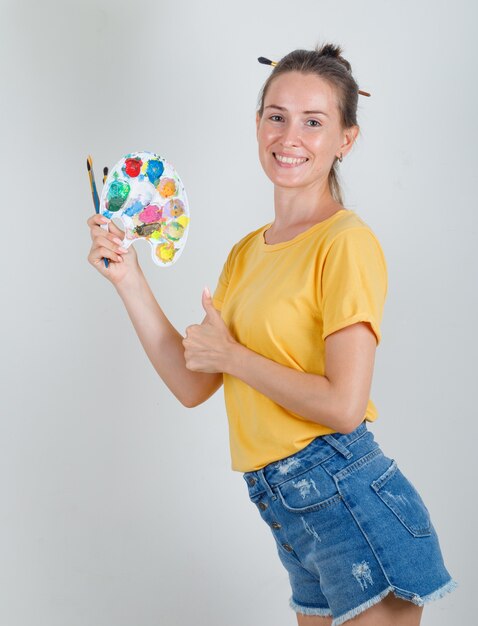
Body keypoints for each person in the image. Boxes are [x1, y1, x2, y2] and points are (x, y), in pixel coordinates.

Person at [87, 41, 458, 626]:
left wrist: (233, 356)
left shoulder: (345, 243)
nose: (290, 137)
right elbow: (192, 384)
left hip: (348, 496)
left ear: (346, 139)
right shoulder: (245, 254)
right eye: (276, 117)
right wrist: (128, 279)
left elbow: (344, 405)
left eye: (314, 122)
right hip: (290, 510)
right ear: (258, 124)